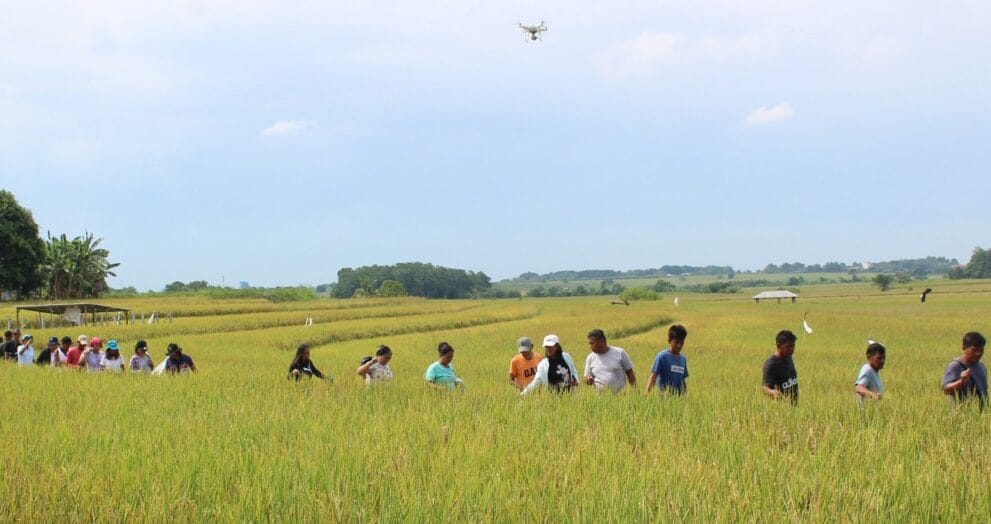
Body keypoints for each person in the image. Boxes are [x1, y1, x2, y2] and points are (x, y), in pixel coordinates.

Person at [942, 332, 987, 411]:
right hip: (961, 414)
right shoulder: (955, 366)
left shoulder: (981, 365)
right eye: (974, 350)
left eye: (981, 350)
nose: (978, 353)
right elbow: (946, 390)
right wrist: (961, 381)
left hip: (981, 414)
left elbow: (984, 391)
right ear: (964, 348)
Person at [646, 325, 689, 396]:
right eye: (676, 342)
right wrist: (646, 394)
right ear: (669, 341)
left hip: (678, 399)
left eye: (682, 343)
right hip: (663, 398)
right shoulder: (662, 356)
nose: (679, 345)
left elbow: (682, 380)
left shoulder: (683, 359)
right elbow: (653, 376)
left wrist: (685, 395)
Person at [762, 330, 799, 405]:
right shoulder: (771, 364)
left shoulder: (788, 357)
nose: (792, 349)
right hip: (780, 407)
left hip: (794, 406)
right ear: (778, 346)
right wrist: (773, 392)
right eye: (788, 346)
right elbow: (764, 388)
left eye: (793, 346)